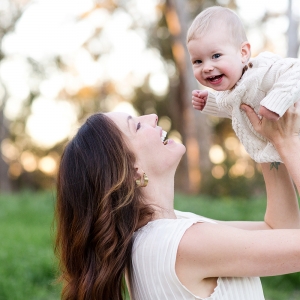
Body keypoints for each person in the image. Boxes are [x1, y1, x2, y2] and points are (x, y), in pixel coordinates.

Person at [55, 102, 300, 300]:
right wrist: (287, 142)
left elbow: (281, 229)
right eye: (137, 127)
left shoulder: (169, 229)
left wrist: (261, 139)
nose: (151, 117)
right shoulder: (179, 244)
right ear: (134, 171)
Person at [187, 6, 300, 163]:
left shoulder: (260, 72)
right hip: (279, 148)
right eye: (198, 61)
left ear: (243, 53)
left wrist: (275, 102)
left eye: (216, 55)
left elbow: (296, 70)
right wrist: (210, 102)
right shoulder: (232, 92)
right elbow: (238, 108)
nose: (206, 67)